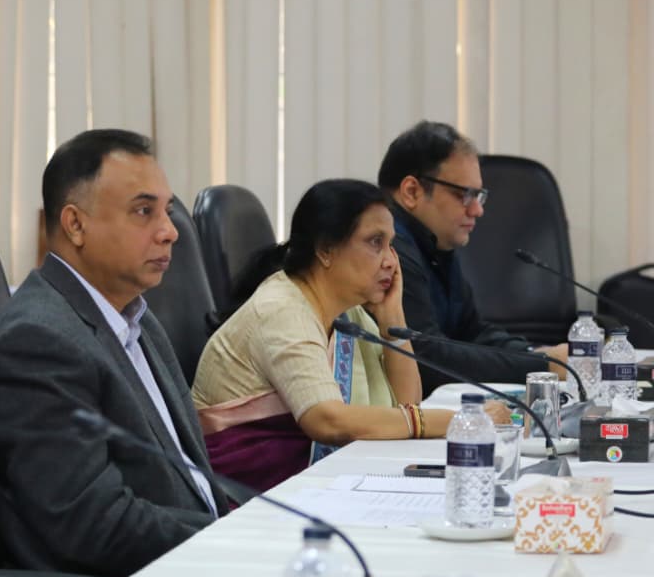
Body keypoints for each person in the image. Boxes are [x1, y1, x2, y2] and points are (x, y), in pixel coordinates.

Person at [0, 129, 232, 577]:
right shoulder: (37, 342)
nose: (170, 232)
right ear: (75, 224)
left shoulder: (135, 317)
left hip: (181, 574)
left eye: (167, 211)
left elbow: (184, 478)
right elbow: (93, 524)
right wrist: (232, 540)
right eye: (143, 212)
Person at [191, 179, 503, 493]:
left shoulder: (347, 313)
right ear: (326, 250)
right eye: (375, 242)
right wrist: (456, 421)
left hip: (310, 484)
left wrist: (392, 319)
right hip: (246, 495)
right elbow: (327, 420)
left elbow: (406, 404)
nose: (390, 261)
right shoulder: (282, 309)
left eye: (390, 245)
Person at [378, 121, 568, 394]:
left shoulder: (436, 244)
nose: (478, 210)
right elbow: (426, 357)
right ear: (412, 192)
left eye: (479, 196)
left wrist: (536, 353)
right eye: (465, 195)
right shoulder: (389, 250)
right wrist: (542, 365)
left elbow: (471, 332)